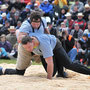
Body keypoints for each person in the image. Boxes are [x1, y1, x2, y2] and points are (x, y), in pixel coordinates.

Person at [1, 34, 90, 79]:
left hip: (55, 45)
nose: (28, 49)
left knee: (68, 65)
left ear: (33, 41)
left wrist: (48, 79)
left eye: (29, 47)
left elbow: (50, 62)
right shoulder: (30, 43)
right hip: (43, 52)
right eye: (26, 48)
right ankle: (61, 73)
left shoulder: (43, 44)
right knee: (53, 72)